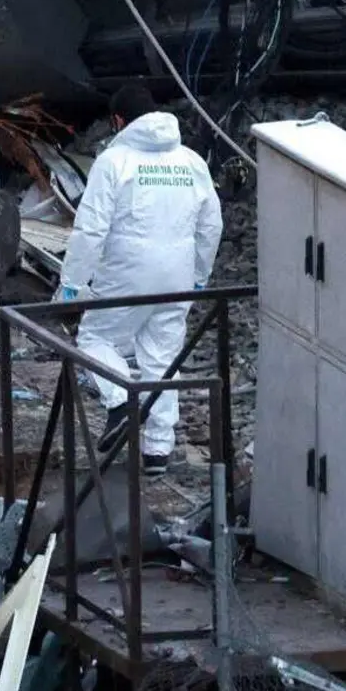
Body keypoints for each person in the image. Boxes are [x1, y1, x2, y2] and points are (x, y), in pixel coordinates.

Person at [57, 84, 224, 476]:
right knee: (162, 356)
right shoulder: (191, 160)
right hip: (178, 272)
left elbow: (91, 228)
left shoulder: (114, 160)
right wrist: (200, 275)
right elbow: (211, 224)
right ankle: (157, 452)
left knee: (95, 339)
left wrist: (73, 282)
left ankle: (121, 402)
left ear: (119, 121)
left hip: (128, 272)